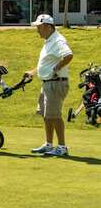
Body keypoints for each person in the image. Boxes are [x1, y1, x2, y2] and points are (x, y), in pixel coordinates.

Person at [25, 15, 74, 157]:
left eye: (39, 28)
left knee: (55, 116)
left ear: (48, 26)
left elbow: (68, 55)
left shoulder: (58, 40)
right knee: (46, 116)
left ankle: (62, 147)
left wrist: (55, 70)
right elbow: (46, 63)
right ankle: (48, 144)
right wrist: (33, 72)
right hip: (47, 83)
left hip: (56, 83)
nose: (37, 31)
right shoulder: (49, 41)